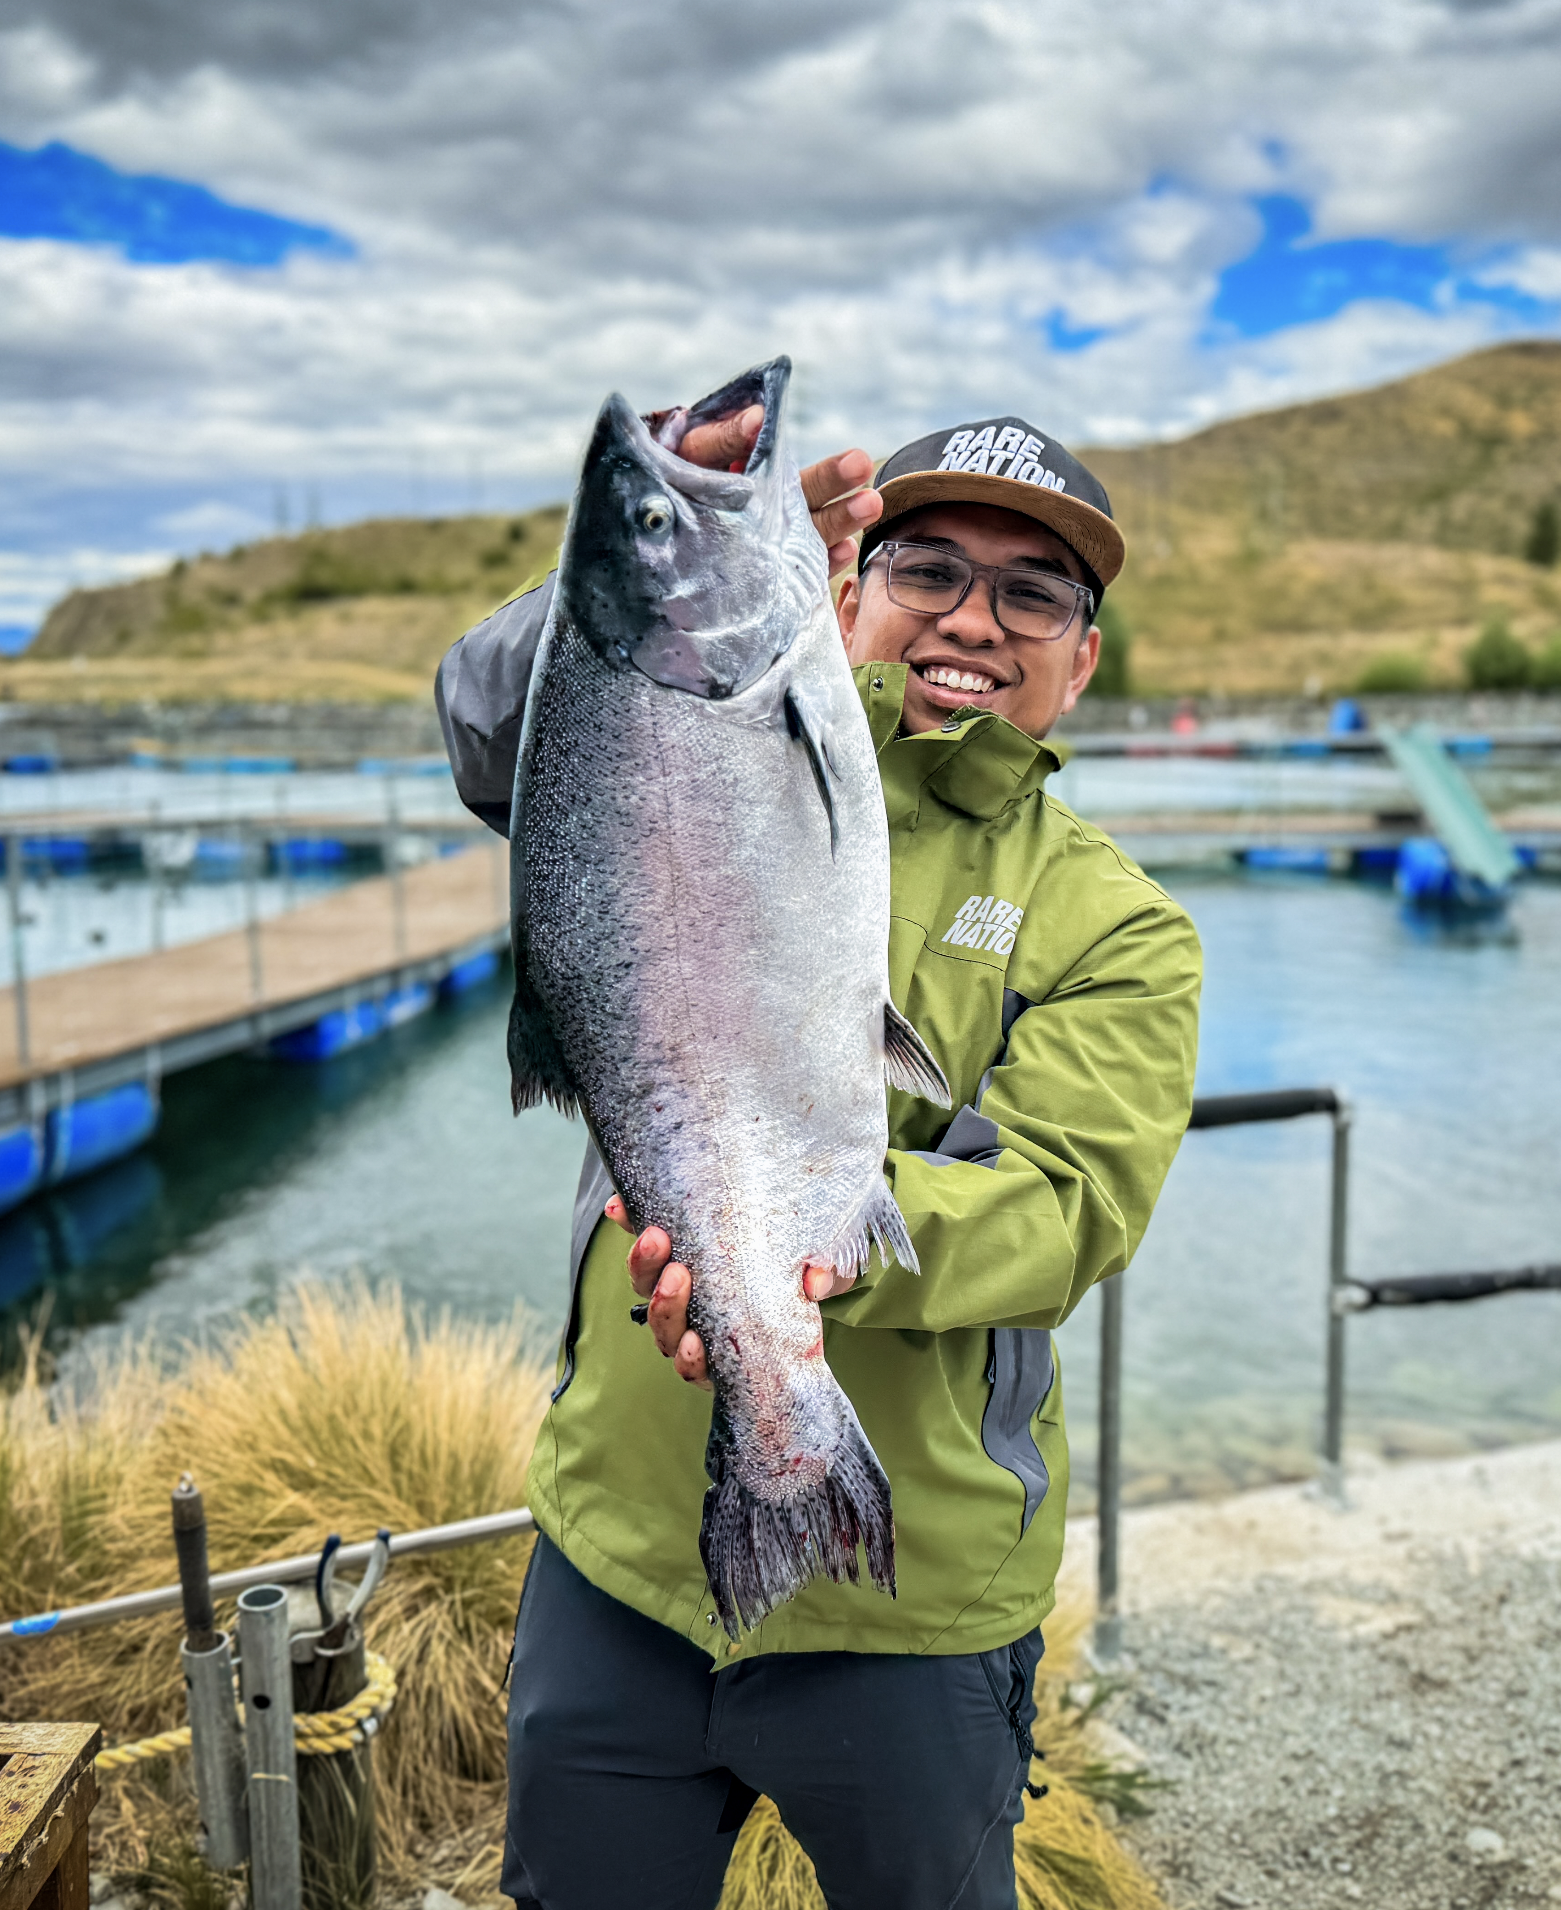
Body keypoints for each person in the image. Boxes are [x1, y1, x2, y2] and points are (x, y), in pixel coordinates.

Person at [435, 399, 1202, 1910]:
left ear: (1083, 655)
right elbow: (481, 723)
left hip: (913, 1594)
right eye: (930, 567)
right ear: (847, 585)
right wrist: (637, 548)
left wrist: (786, 1253)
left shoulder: (1121, 924)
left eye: (1032, 591)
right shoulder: (703, 736)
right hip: (619, 1557)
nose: (973, 617)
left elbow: (1063, 1214)